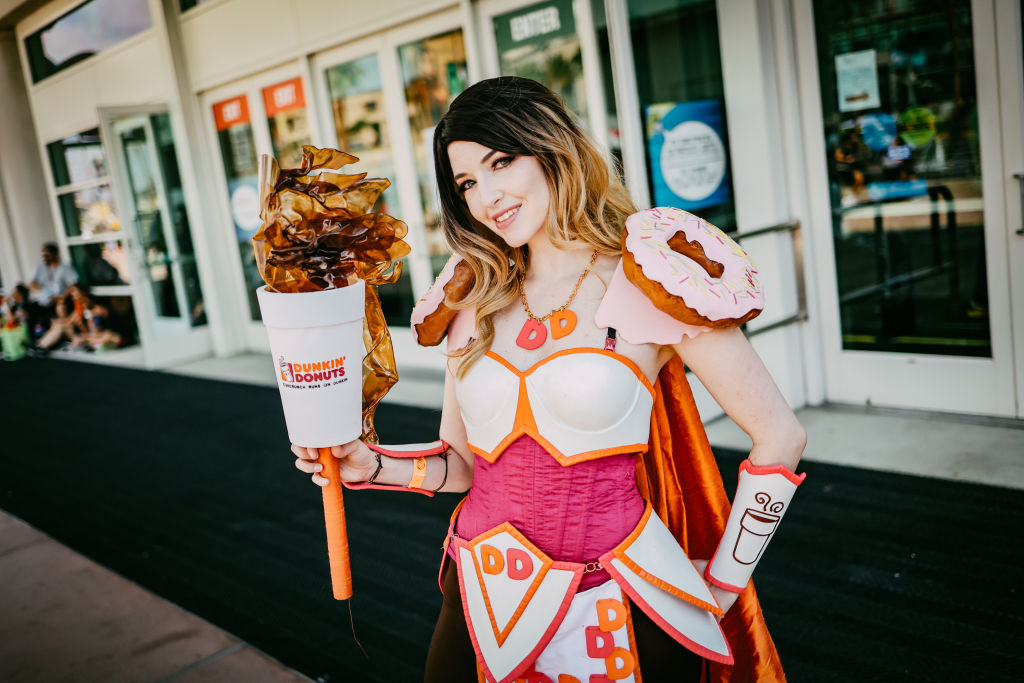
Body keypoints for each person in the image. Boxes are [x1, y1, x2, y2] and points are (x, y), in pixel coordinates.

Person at [291, 77, 806, 682]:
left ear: (551, 147)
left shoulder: (652, 279)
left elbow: (780, 436)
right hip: (485, 594)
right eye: (466, 183)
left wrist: (723, 584)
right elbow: (463, 464)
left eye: (500, 162)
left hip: (624, 601)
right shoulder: (471, 296)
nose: (487, 197)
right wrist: (370, 465)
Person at [28, 243, 78, 315]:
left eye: (47, 255)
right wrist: (45, 291)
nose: (45, 258)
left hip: (61, 302)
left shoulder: (65, 268)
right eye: (43, 256)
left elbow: (74, 284)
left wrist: (63, 297)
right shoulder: (41, 267)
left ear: (55, 254)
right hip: (44, 302)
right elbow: (31, 284)